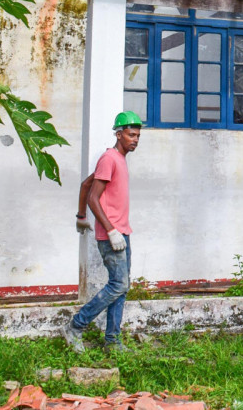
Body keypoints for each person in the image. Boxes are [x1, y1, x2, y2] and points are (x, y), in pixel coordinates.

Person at [63, 111, 142, 353]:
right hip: (112, 235)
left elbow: (87, 184)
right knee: (118, 284)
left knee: (122, 286)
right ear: (118, 134)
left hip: (122, 232)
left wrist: (80, 217)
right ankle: (75, 325)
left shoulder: (119, 159)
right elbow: (94, 197)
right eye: (130, 135)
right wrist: (110, 230)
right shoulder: (109, 158)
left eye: (138, 135)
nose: (135, 139)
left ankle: (112, 342)